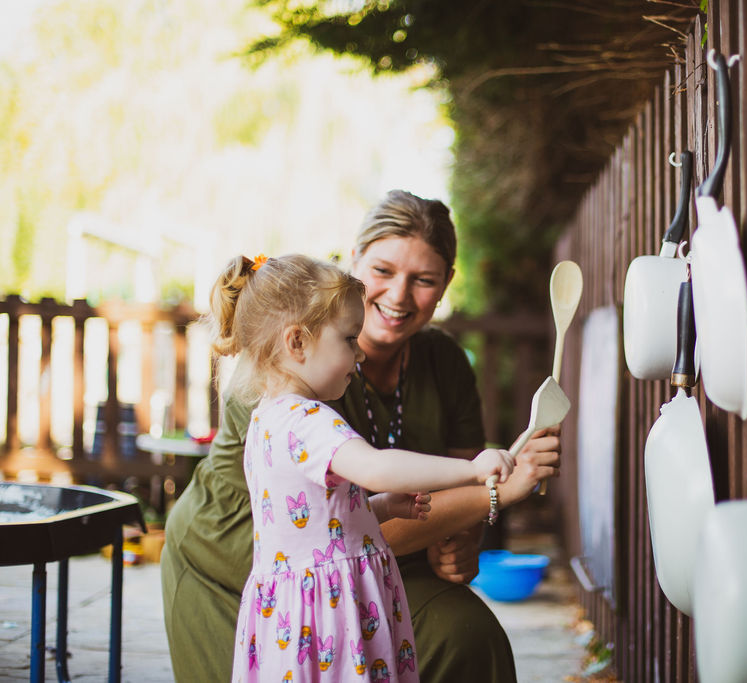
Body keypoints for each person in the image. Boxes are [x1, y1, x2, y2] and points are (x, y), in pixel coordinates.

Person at [162, 190, 562, 682]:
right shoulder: (294, 395)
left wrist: (464, 533)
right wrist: (492, 486)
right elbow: (360, 491)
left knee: (468, 634)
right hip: (240, 566)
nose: (397, 296)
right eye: (383, 271)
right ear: (353, 262)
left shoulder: (434, 361)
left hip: (346, 571)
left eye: (423, 280)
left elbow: (357, 517)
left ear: (445, 286)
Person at [200, 253, 514, 681]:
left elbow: (311, 522)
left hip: (293, 614)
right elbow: (378, 467)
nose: (359, 355)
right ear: (297, 343)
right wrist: (473, 470)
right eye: (349, 339)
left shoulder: (266, 419)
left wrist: (379, 509)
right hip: (329, 615)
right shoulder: (310, 420)